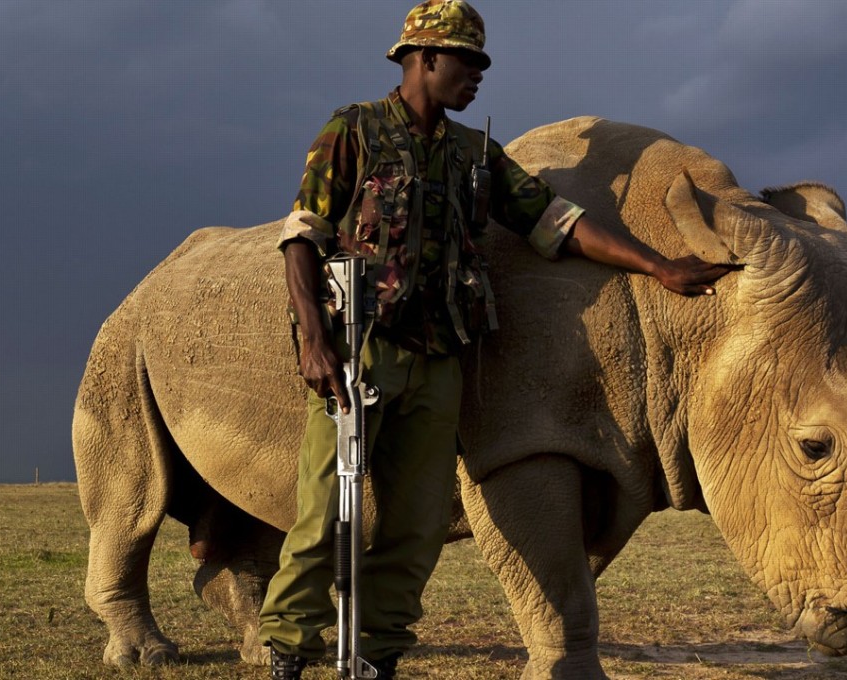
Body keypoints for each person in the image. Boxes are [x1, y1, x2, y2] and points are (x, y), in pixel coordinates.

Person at [257, 1, 735, 678]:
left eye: (482, 63)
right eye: (467, 61)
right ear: (423, 58)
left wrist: (659, 266)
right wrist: (313, 338)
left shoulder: (473, 155)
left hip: (440, 362)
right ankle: (289, 653)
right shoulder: (354, 131)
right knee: (327, 514)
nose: (479, 75)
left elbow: (555, 222)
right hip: (360, 350)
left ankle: (380, 656)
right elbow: (301, 236)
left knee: (418, 527)